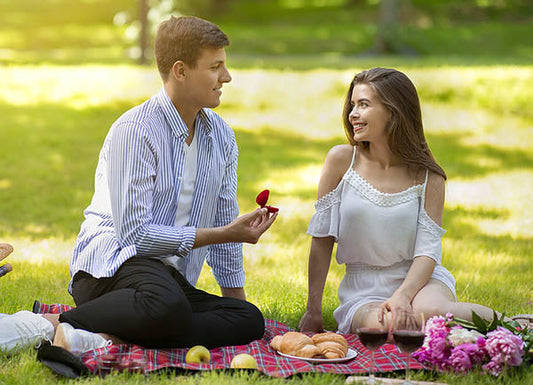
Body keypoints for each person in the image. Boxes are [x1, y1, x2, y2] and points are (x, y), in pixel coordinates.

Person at [1, 15, 277, 355]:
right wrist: (223, 234)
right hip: (111, 268)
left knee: (249, 319)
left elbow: (226, 225)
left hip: (167, 282)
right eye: (215, 66)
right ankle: (55, 324)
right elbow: (136, 235)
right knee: (167, 306)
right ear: (180, 70)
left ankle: (106, 336)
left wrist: (235, 308)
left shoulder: (221, 137)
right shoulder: (134, 131)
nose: (227, 77)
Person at [298, 67, 512, 334]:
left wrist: (402, 296)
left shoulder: (429, 177)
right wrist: (313, 310)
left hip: (421, 282)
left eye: (364, 105)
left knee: (433, 313)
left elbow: (428, 251)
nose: (353, 114)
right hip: (364, 291)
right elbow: (321, 239)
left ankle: (516, 326)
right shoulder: (341, 161)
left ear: (393, 112)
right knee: (387, 327)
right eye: (353, 104)